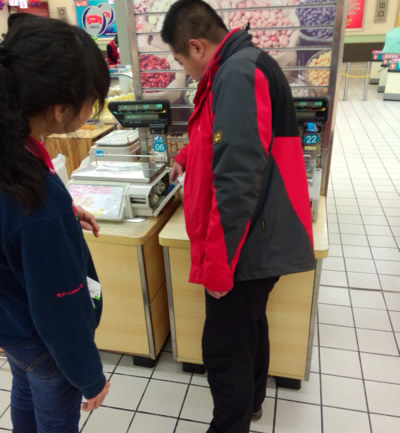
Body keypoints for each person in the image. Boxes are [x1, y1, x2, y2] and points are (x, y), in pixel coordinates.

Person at [161, 1, 315, 432]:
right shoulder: (236, 67)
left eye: (181, 61)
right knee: (248, 330)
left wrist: (219, 264)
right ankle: (251, 405)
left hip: (246, 241)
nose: (185, 71)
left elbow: (238, 179)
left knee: (224, 349)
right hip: (255, 235)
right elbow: (224, 138)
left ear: (196, 46)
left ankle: (231, 423)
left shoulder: (238, 74)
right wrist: (187, 157)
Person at [0, 15, 110, 433]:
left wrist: (64, 214)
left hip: (10, 321)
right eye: (92, 100)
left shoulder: (11, 152)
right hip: (41, 339)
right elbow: (59, 306)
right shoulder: (38, 201)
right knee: (53, 416)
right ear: (62, 108)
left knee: (24, 391)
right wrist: (90, 376)